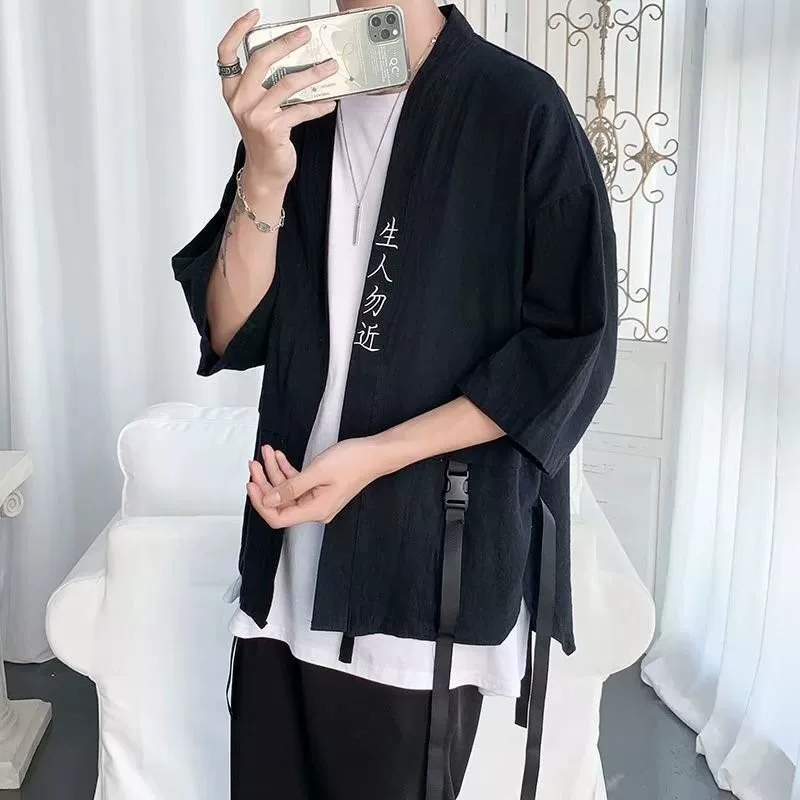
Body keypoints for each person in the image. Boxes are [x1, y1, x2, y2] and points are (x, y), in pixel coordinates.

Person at [172, 2, 617, 798]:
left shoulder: (519, 110)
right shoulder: (300, 113)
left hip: (422, 567)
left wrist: (374, 457)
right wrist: (263, 170)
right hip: (285, 558)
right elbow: (232, 330)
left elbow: (570, 350)